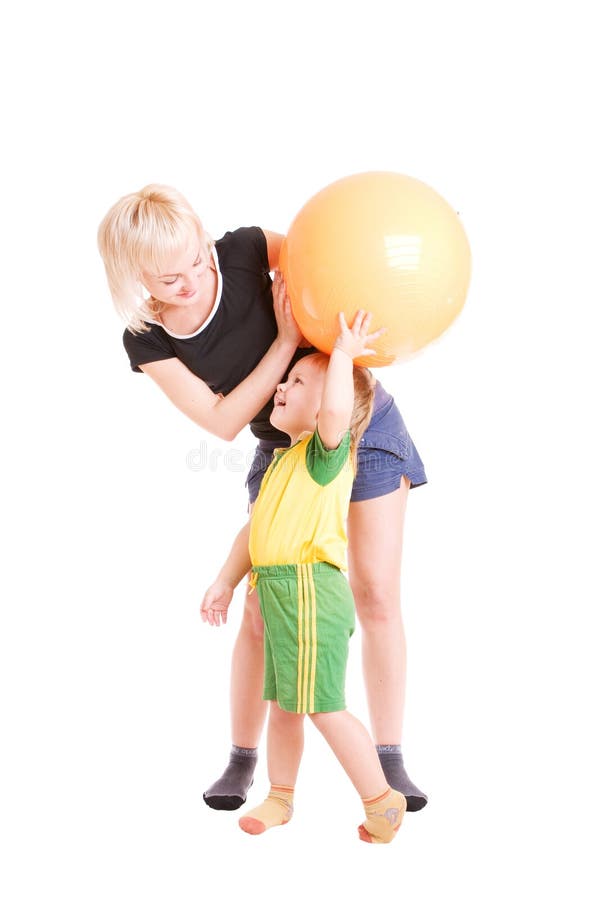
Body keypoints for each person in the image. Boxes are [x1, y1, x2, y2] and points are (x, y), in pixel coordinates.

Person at [97, 184, 428, 813]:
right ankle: (241, 760)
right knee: (259, 610)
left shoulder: (245, 250)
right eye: (171, 276)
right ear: (135, 274)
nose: (194, 278)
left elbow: (330, 262)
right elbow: (222, 422)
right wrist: (281, 344)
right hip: (285, 451)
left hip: (365, 424)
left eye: (198, 260)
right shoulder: (149, 340)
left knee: (378, 593)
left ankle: (389, 759)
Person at [201, 310, 406, 842]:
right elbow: (253, 532)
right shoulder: (281, 462)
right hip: (277, 593)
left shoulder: (325, 456)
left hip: (311, 593)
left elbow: (337, 409)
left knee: (323, 708)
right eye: (286, 379)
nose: (283, 386)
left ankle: (382, 800)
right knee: (286, 707)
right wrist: (225, 581)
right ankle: (281, 798)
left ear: (328, 412)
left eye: (297, 381)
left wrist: (341, 355)